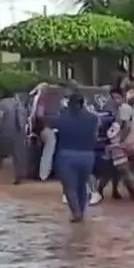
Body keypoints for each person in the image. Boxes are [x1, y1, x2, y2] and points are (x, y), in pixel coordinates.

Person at [52, 93, 101, 222]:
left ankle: (76, 212)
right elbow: (95, 136)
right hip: (87, 156)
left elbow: (46, 121)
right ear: (82, 104)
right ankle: (82, 212)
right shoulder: (92, 118)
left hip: (67, 155)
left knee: (70, 187)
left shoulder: (62, 118)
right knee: (82, 186)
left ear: (69, 104)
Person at [95, 88, 134, 201]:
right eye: (113, 98)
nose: (115, 100)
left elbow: (124, 126)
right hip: (120, 142)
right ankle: (131, 191)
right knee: (119, 167)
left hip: (120, 142)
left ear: (123, 97)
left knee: (117, 168)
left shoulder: (124, 109)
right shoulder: (122, 109)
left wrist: (120, 141)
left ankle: (102, 188)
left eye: (117, 97)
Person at [0, 87, 29, 185]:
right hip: (17, 133)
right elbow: (22, 118)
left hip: (4, 133)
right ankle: (19, 176)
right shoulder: (18, 103)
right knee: (18, 156)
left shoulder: (1, 104)